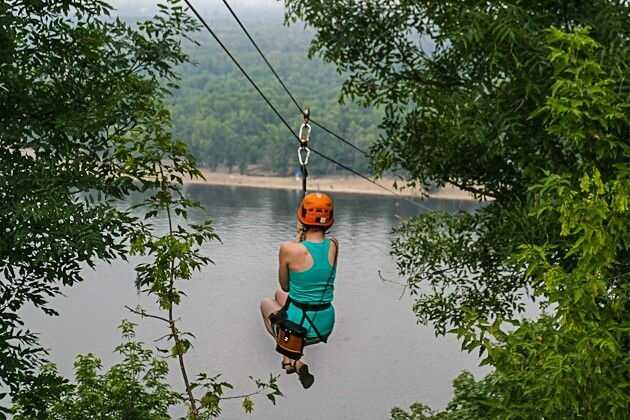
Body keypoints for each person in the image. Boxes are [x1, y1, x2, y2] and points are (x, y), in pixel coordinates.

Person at [260, 192, 338, 389]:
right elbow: (313, 249)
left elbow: (285, 285)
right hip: (324, 324)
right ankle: (292, 358)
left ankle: (291, 356)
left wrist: (297, 238)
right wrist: (302, 236)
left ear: (301, 217)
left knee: (266, 303)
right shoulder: (334, 245)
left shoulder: (289, 249)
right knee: (280, 298)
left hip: (302, 329)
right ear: (329, 221)